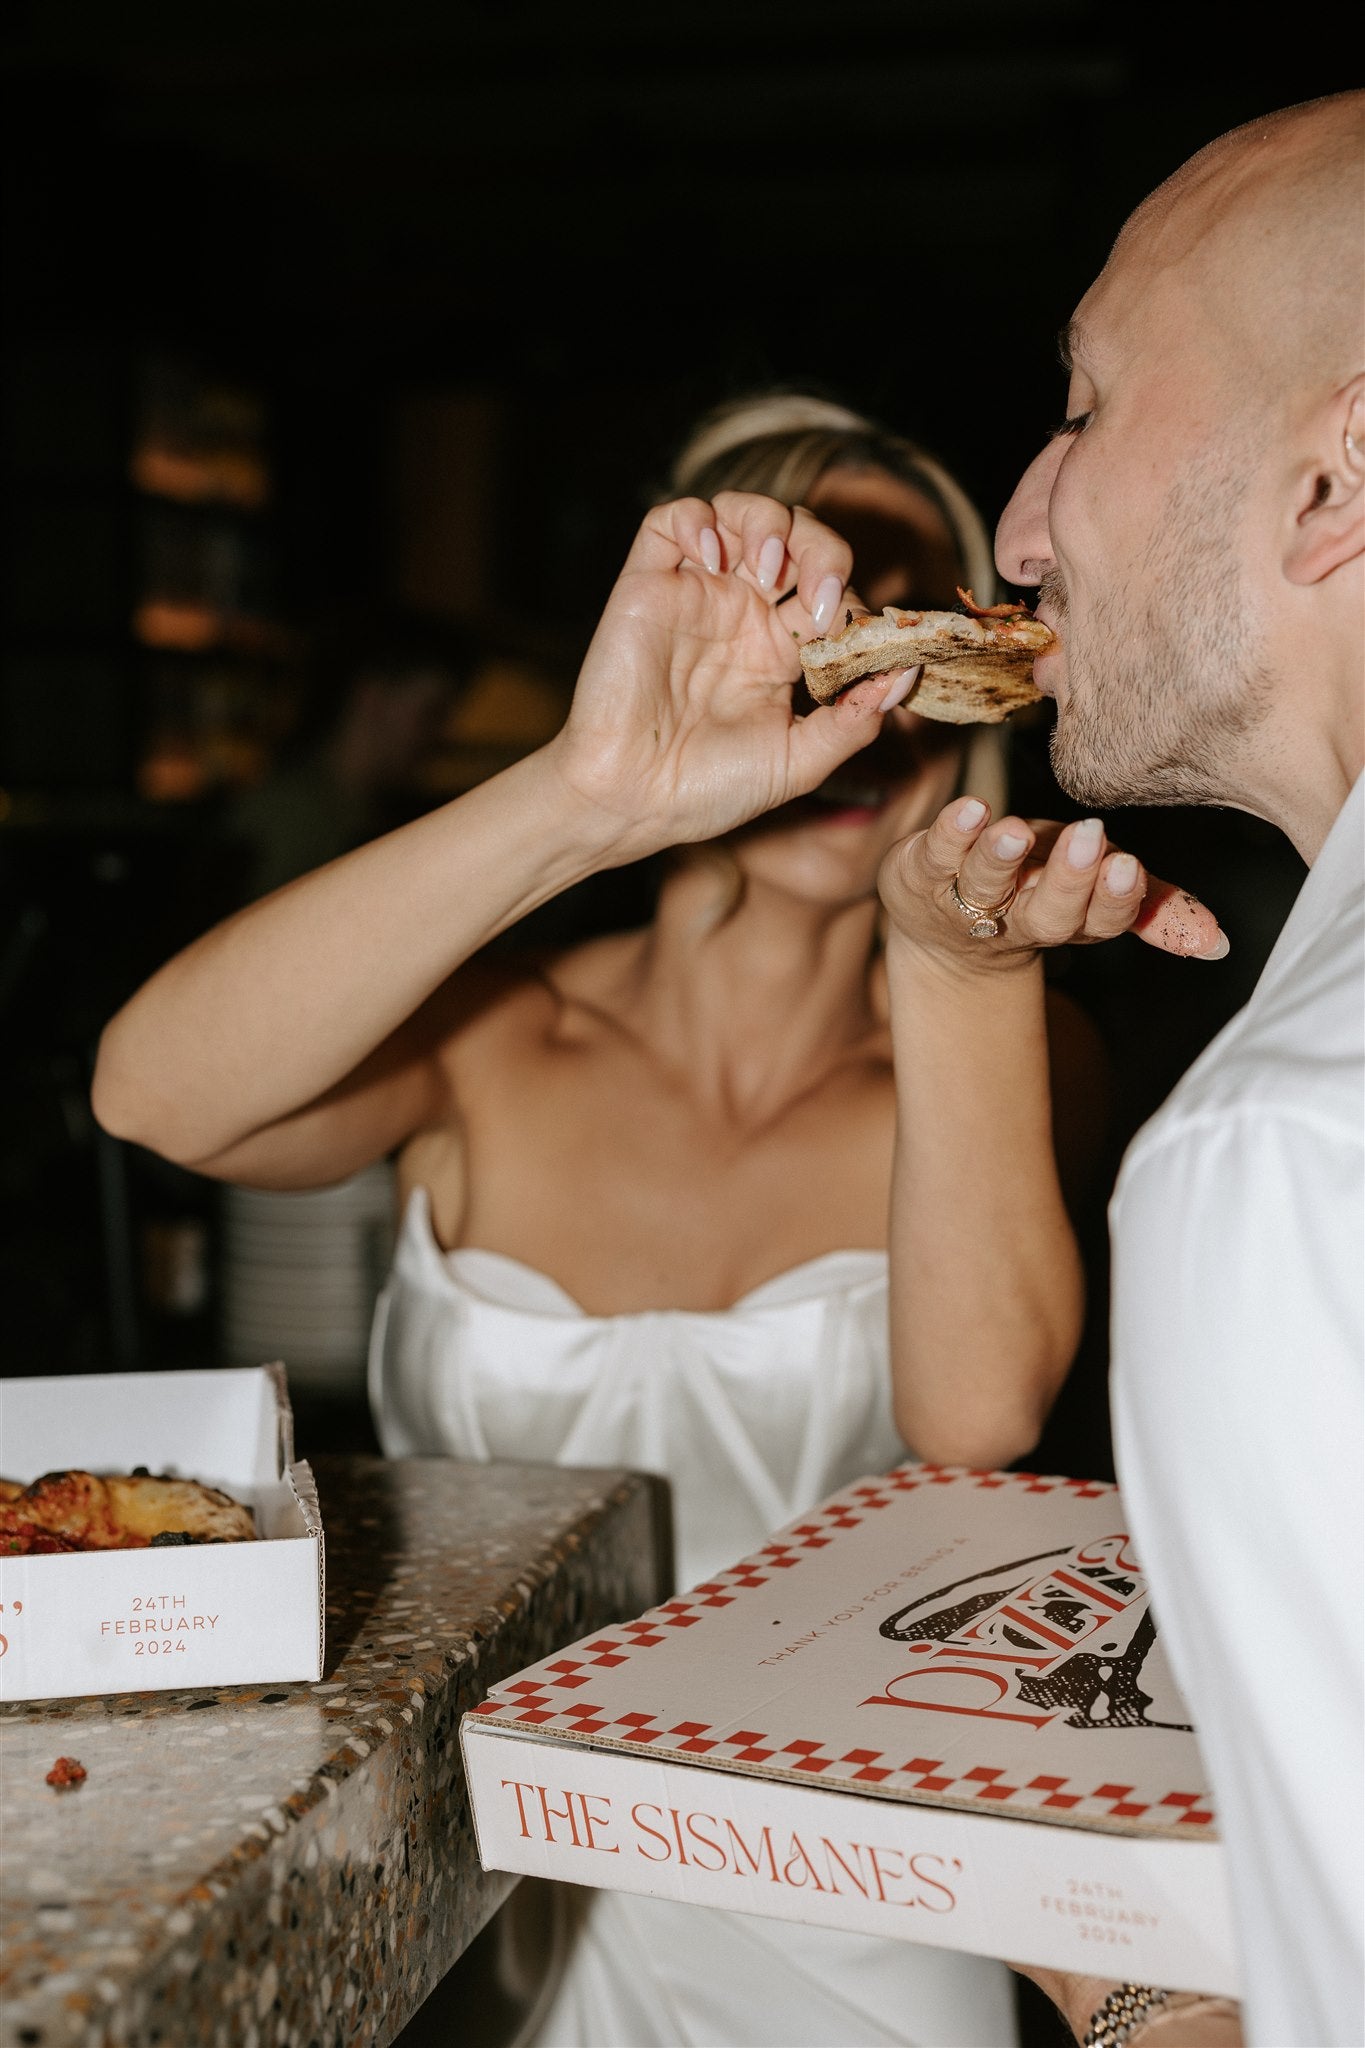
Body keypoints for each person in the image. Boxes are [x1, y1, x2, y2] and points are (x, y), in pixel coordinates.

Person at [89, 389, 1222, 2047]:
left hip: (854, 1917)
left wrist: (959, 969)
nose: (862, 693)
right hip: (470, 1889)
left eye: (910, 628)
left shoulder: (997, 1036)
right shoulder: (491, 1039)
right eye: (805, 626)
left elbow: (973, 1415)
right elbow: (154, 1098)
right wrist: (591, 792)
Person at [885, 90, 1360, 2048]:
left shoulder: (1275, 1148)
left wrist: (1120, 1983)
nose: (1018, 525)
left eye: (1080, 409)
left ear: (1334, 488)